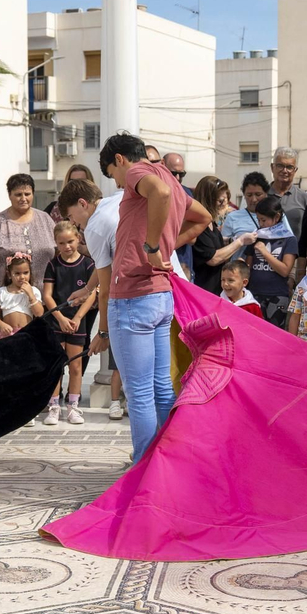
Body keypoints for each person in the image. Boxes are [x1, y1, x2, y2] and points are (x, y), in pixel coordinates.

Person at [88, 133, 211, 461]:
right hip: (160, 296)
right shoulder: (169, 176)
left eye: (112, 175)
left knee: (139, 393)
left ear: (119, 160)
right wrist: (166, 247)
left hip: (132, 296)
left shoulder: (137, 173)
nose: (117, 183)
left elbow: (158, 193)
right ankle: (166, 462)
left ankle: (144, 467)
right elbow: (203, 217)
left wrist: (153, 246)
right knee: (160, 388)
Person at [67, 176, 129, 420]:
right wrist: (86, 289)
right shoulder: (116, 200)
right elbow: (105, 266)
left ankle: (149, 451)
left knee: (138, 386)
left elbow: (105, 290)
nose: (75, 224)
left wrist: (103, 334)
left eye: (72, 217)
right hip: (165, 288)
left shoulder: (94, 225)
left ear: (83, 204)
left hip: (134, 299)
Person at [0, 173, 56, 337]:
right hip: (7, 302)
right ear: (9, 195)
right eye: (18, 194)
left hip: (43, 299)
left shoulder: (46, 219)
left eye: (27, 194)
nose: (23, 198)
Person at [43, 219, 97, 424]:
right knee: (56, 365)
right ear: (56, 243)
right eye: (62, 243)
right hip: (57, 322)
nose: (67, 247)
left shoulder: (88, 263)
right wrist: (60, 317)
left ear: (78, 239)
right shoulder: (53, 265)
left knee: (75, 366)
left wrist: (76, 318)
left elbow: (91, 294)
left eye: (70, 242)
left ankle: (73, 406)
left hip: (76, 323)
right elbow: (47, 295)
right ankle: (53, 406)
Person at [190, 175, 253, 294]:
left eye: (224, 200)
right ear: (208, 199)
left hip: (216, 289)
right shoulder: (198, 225)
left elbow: (214, 245)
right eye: (219, 201)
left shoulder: (211, 224)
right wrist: (240, 242)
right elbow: (213, 258)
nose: (223, 205)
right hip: (204, 290)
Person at [243, 195, 298, 327]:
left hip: (277, 294)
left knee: (275, 333)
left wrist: (265, 253)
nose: (261, 224)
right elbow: (248, 266)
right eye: (258, 220)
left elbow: (285, 270)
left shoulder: (289, 239)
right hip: (255, 293)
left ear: (277, 217)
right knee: (255, 331)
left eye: (264, 220)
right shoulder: (256, 236)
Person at [0, 252, 44, 336]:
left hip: (27, 334)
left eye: (25, 273)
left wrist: (31, 295)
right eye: (17, 273)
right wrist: (1, 324)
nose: (22, 277)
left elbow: (39, 314)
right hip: (7, 335)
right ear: (9, 274)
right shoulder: (2, 292)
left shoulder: (34, 291)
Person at [268, 146, 307, 235]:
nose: (284, 171)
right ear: (272, 167)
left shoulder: (304, 198)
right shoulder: (260, 196)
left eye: (289, 167)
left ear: (295, 170)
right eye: (280, 166)